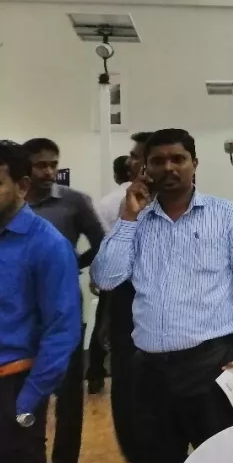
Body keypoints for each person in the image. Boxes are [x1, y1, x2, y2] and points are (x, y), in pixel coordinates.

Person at [92, 129, 233, 463]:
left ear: (195, 164)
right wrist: (127, 219)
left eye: (178, 159)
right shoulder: (135, 222)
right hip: (150, 372)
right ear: (145, 168)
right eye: (158, 161)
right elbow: (105, 278)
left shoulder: (229, 216)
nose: (169, 168)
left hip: (214, 364)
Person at [0, 140, 80, 463]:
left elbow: (61, 330)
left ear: (22, 186)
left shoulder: (46, 244)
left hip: (15, 386)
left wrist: (29, 400)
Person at [22, 137, 105, 463]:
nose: (49, 172)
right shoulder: (10, 202)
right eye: (41, 165)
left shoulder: (73, 202)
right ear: (24, 167)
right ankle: (28, 462)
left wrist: (74, 264)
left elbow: (102, 242)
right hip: (19, 313)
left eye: (53, 164)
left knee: (69, 390)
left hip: (64, 309)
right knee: (24, 389)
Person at [94, 131, 152, 463]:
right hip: (125, 306)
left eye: (137, 155)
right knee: (126, 391)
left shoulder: (186, 210)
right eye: (131, 156)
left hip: (164, 318)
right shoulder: (121, 205)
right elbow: (108, 272)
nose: (130, 161)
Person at [88, 156, 131, 395]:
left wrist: (96, 274)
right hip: (136, 277)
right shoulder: (154, 200)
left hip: (112, 272)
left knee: (103, 323)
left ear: (115, 175)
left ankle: (95, 375)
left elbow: (100, 242)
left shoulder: (105, 203)